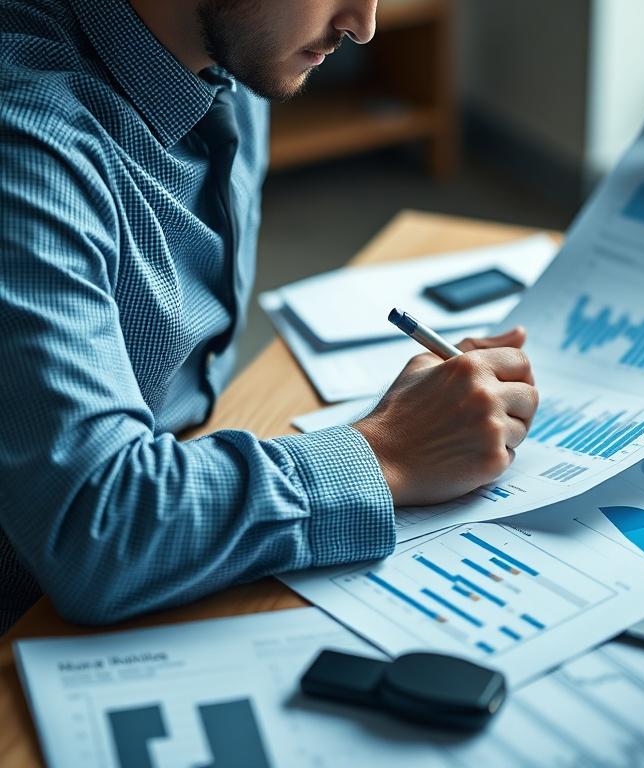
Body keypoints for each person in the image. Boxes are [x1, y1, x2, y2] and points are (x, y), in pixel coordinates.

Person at [0, 0, 539, 634]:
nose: (362, 25)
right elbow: (99, 528)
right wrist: (387, 452)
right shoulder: (30, 147)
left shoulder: (233, 53)